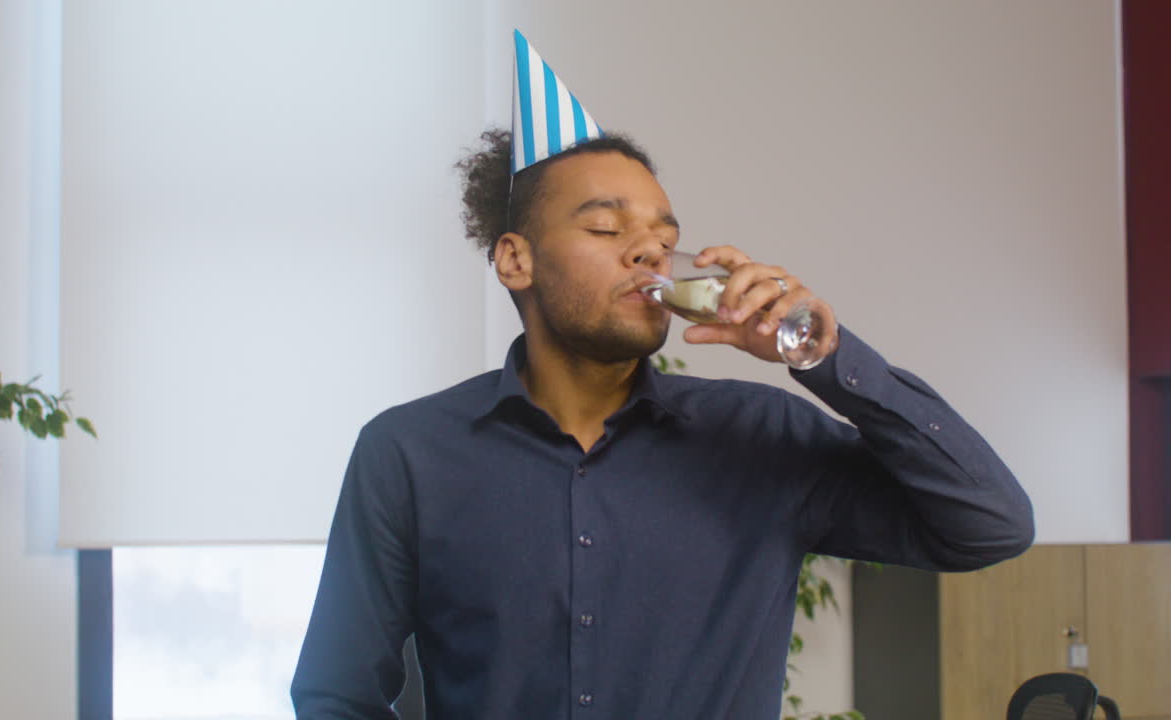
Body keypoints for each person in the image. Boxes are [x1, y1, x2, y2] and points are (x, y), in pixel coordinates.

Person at [292, 32, 1033, 720]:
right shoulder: (407, 453)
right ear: (515, 259)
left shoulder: (762, 436)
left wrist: (821, 356)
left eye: (664, 238)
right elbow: (336, 692)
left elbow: (989, 526)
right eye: (608, 229)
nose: (649, 252)